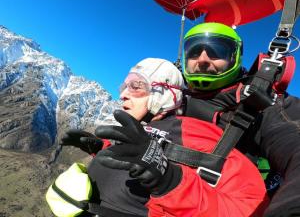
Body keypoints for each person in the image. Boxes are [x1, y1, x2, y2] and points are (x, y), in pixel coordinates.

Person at [62, 58, 268, 216]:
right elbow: (144, 156)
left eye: (136, 86)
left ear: (164, 94)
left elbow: (251, 206)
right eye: (124, 86)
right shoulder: (142, 129)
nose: (123, 94)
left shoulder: (195, 131)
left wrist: (170, 181)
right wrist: (101, 147)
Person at [181, 22, 300, 217]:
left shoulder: (262, 103)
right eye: (194, 53)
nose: (202, 59)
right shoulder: (172, 101)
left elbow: (291, 139)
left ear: (233, 57)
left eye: (215, 51)